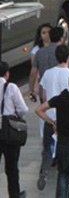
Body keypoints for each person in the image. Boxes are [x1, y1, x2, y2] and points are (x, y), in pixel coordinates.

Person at [37, 44, 69, 191]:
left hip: (50, 118)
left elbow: (44, 96)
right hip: (65, 119)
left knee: (47, 147)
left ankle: (44, 171)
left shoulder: (47, 73)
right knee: (64, 150)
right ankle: (64, 176)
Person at [0, 61, 28, 198]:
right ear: (7, 74)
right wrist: (15, 115)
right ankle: (14, 195)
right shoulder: (11, 87)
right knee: (12, 167)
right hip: (9, 132)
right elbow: (23, 109)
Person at [32, 26, 65, 99]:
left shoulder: (39, 52)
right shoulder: (63, 52)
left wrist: (32, 90)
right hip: (59, 89)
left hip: (43, 89)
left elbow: (33, 72)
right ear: (61, 38)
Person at [28, 23, 52, 102]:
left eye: (49, 32)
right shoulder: (36, 50)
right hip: (42, 83)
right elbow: (34, 71)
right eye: (44, 33)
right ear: (40, 35)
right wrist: (32, 89)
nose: (46, 35)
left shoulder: (57, 47)